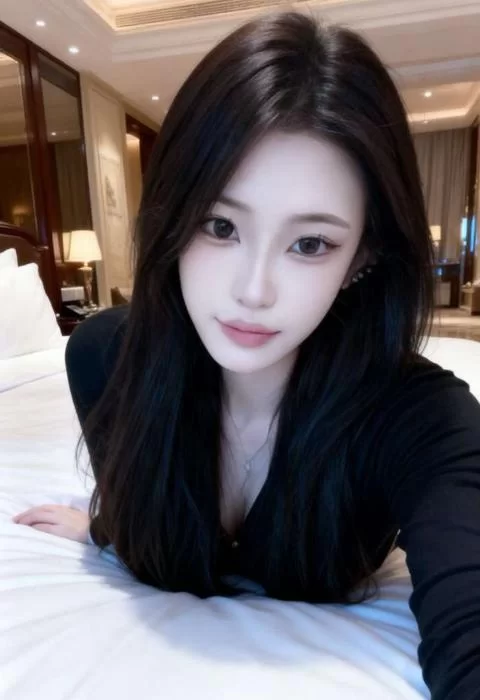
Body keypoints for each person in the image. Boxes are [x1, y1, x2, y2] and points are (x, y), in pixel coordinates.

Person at [13, 11, 480, 699]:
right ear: (173, 219)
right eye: (220, 225)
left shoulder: (422, 417)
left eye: (310, 244)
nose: (252, 291)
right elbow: (148, 499)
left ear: (362, 257)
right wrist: (106, 530)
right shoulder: (105, 357)